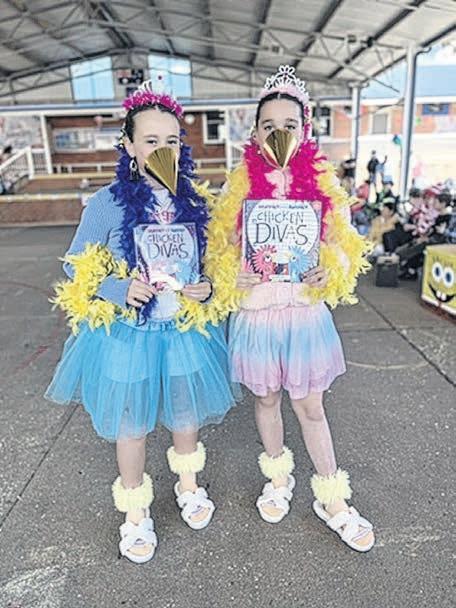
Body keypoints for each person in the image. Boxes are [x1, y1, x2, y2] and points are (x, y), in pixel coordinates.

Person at [45, 80, 236, 564]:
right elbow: (75, 266)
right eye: (150, 140)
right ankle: (135, 511)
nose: (162, 149)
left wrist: (207, 287)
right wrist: (117, 288)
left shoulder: (194, 201)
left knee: (186, 414)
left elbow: (212, 266)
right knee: (130, 423)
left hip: (182, 331)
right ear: (129, 145)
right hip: (127, 335)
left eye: (171, 140)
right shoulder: (107, 203)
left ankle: (188, 486)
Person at [204, 65, 375, 553]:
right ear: (255, 132)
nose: (279, 133)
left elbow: (344, 244)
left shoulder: (323, 182)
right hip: (257, 314)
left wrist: (330, 270)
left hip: (303, 314)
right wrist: (228, 275)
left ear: (305, 129)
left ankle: (332, 498)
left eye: (289, 125)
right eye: (269, 125)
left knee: (310, 406)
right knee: (266, 401)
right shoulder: (238, 185)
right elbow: (218, 247)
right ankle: (278, 478)